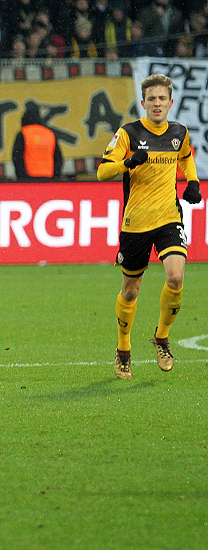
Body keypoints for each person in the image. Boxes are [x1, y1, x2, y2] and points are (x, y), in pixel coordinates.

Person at [97, 73, 201, 379]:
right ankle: (123, 349)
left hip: (168, 217)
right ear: (143, 103)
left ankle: (162, 338)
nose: (157, 103)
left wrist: (193, 181)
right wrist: (128, 163)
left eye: (162, 98)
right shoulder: (128, 133)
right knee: (130, 291)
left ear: (170, 102)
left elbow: (186, 157)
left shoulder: (179, 132)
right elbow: (103, 172)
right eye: (151, 99)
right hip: (136, 222)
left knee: (176, 277)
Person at [12, 103, 63, 181]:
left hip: (29, 178)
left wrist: (21, 177)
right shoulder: (50, 134)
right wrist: (55, 177)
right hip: (48, 178)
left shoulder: (23, 133)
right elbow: (58, 158)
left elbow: (17, 157)